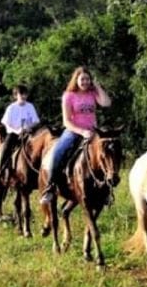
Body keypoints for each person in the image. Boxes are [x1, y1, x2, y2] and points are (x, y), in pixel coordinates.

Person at [40, 66, 111, 205]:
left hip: (92, 131)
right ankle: (50, 187)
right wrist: (82, 131)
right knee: (58, 152)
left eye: (87, 79)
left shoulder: (92, 93)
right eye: (82, 79)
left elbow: (107, 103)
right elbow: (66, 121)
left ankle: (106, 191)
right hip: (74, 130)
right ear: (76, 80)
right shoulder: (68, 95)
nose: (85, 82)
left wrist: (97, 86)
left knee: (109, 151)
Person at [0, 85, 40, 176]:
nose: (23, 96)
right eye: (21, 94)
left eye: (25, 94)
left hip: (28, 132)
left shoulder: (30, 106)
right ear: (15, 96)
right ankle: (0, 172)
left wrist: (29, 127)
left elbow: (36, 121)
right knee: (6, 148)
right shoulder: (11, 108)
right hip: (14, 133)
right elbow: (6, 122)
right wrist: (17, 130)